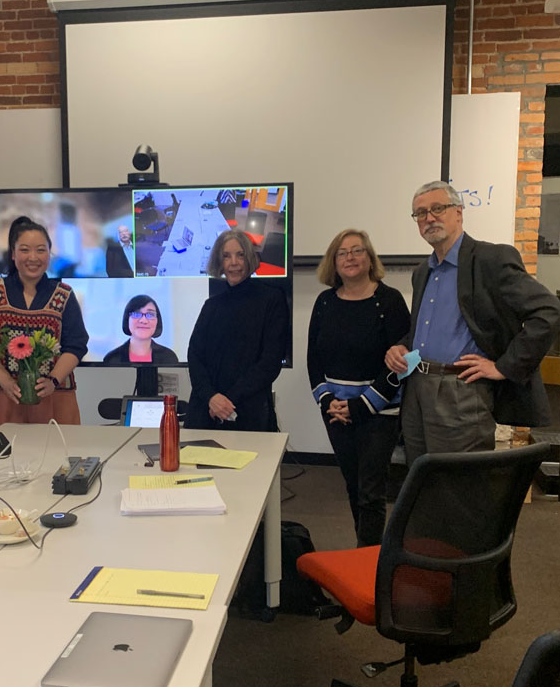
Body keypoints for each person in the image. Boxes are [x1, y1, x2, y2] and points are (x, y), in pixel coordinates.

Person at [385, 180, 560, 467]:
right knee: (420, 483)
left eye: (437, 208)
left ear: (459, 212)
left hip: (460, 390)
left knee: (459, 488)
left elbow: (549, 312)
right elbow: (429, 329)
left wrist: (504, 366)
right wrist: (401, 347)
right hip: (416, 387)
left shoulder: (490, 259)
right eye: (420, 213)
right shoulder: (422, 272)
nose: (429, 218)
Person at [307, 229, 410, 547]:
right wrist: (328, 403)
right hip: (336, 412)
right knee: (353, 487)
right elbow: (313, 359)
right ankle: (363, 553)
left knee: (370, 492)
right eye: (342, 252)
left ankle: (369, 565)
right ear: (333, 262)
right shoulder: (324, 302)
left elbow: (410, 356)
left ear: (370, 258)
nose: (350, 257)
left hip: (379, 413)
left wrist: (361, 406)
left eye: (357, 250)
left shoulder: (389, 300)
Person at [0, 216, 88, 428]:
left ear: (49, 255)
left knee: (58, 458)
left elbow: (76, 344)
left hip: (55, 398)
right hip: (6, 396)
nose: (33, 257)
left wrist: (52, 380)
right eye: (24, 250)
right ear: (13, 254)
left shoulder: (64, 295)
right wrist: (4, 380)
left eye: (41, 250)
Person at [185, 230, 288, 432]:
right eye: (226, 256)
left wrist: (229, 399)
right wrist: (211, 397)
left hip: (249, 412)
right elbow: (195, 355)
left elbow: (270, 362)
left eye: (240, 255)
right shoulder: (211, 306)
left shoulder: (272, 300)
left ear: (249, 258)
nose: (234, 262)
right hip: (206, 410)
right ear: (219, 261)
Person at [102, 295, 179, 364]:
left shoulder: (169, 358)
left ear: (157, 321)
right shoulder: (112, 359)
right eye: (136, 314)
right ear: (127, 319)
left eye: (150, 314)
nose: (143, 320)